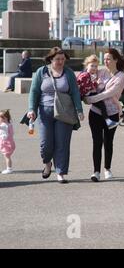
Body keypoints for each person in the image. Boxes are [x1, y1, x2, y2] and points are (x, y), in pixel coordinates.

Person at [27, 47, 84, 184]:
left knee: (62, 143)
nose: (60, 62)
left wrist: (79, 110)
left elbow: (75, 92)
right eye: (57, 59)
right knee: (46, 144)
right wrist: (31, 109)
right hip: (45, 112)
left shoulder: (68, 73)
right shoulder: (42, 72)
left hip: (64, 112)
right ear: (51, 59)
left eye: (63, 59)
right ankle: (47, 164)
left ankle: (61, 172)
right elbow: (34, 92)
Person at [85, 49, 124, 182]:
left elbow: (109, 93)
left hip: (112, 113)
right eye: (105, 58)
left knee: (108, 142)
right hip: (96, 112)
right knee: (97, 142)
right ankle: (96, 171)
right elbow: (89, 80)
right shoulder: (101, 71)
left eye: (109, 59)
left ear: (116, 60)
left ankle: (107, 168)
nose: (106, 61)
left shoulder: (121, 76)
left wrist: (91, 99)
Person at [77, 55, 118, 129]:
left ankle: (107, 120)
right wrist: (96, 84)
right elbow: (86, 86)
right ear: (87, 66)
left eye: (96, 66)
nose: (94, 68)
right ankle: (108, 121)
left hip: (87, 94)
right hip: (88, 94)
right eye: (92, 66)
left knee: (101, 105)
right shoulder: (85, 75)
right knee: (102, 105)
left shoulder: (87, 74)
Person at [0, 109, 15, 174]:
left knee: (7, 157)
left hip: (6, 144)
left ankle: (9, 169)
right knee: (7, 156)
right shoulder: (9, 123)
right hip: (10, 143)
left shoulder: (4, 125)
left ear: (4, 118)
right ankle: (9, 168)